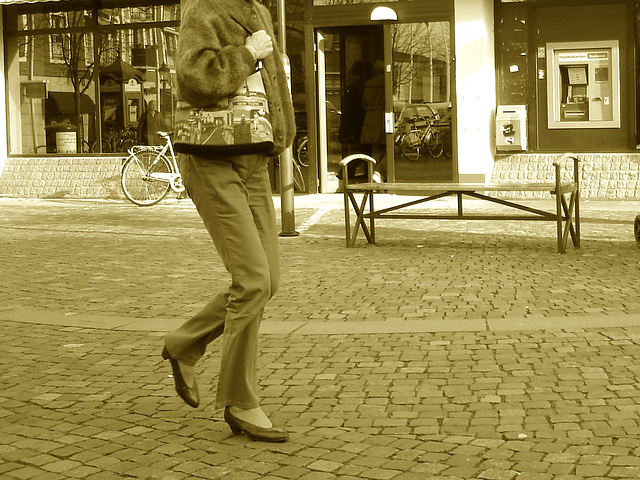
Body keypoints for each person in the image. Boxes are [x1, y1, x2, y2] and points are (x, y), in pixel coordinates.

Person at [160, 0, 296, 443]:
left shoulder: (257, 9)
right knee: (253, 280)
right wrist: (250, 54)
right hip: (211, 156)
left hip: (253, 157)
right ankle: (240, 401)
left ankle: (184, 343)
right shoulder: (206, 8)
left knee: (267, 281)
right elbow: (195, 77)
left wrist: (281, 134)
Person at [360, 59, 387, 181]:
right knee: (387, 149)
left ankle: (376, 174)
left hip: (370, 119)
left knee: (375, 149)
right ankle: (377, 173)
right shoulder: (387, 84)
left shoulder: (368, 85)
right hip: (383, 118)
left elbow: (364, 104)